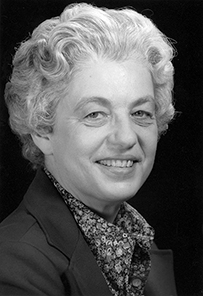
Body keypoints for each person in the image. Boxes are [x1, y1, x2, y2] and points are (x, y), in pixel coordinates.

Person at [0, 3, 177, 295]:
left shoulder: (136, 245)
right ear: (43, 129)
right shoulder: (13, 268)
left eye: (141, 113)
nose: (125, 138)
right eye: (95, 114)